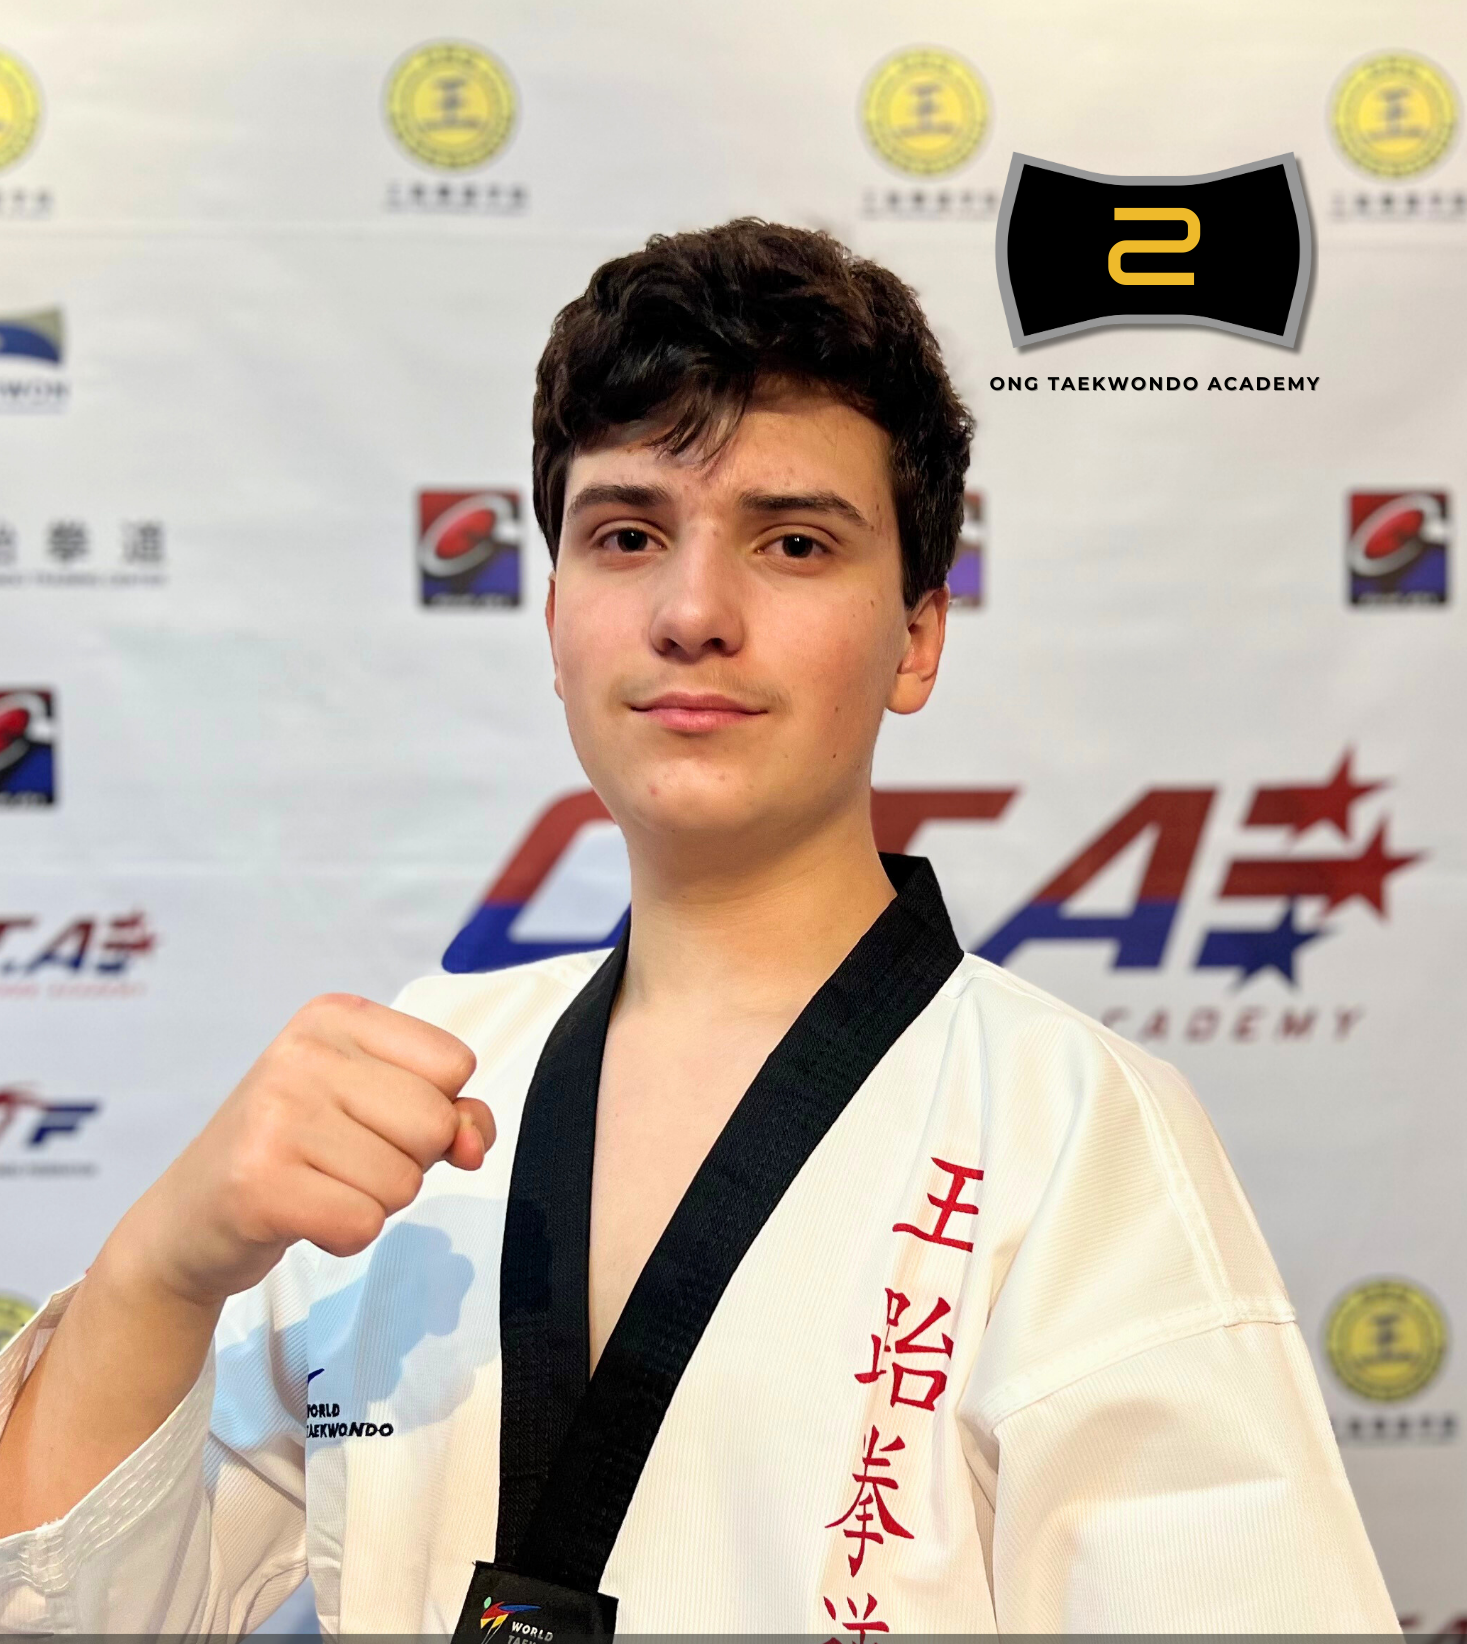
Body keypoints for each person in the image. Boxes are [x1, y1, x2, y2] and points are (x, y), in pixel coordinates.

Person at [0, 220, 1398, 1636]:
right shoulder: (420, 1082)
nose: (691, 612)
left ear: (917, 635)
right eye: (627, 536)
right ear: (555, 615)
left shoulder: (1070, 1130)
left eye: (793, 543)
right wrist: (159, 1271)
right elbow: (83, 1610)